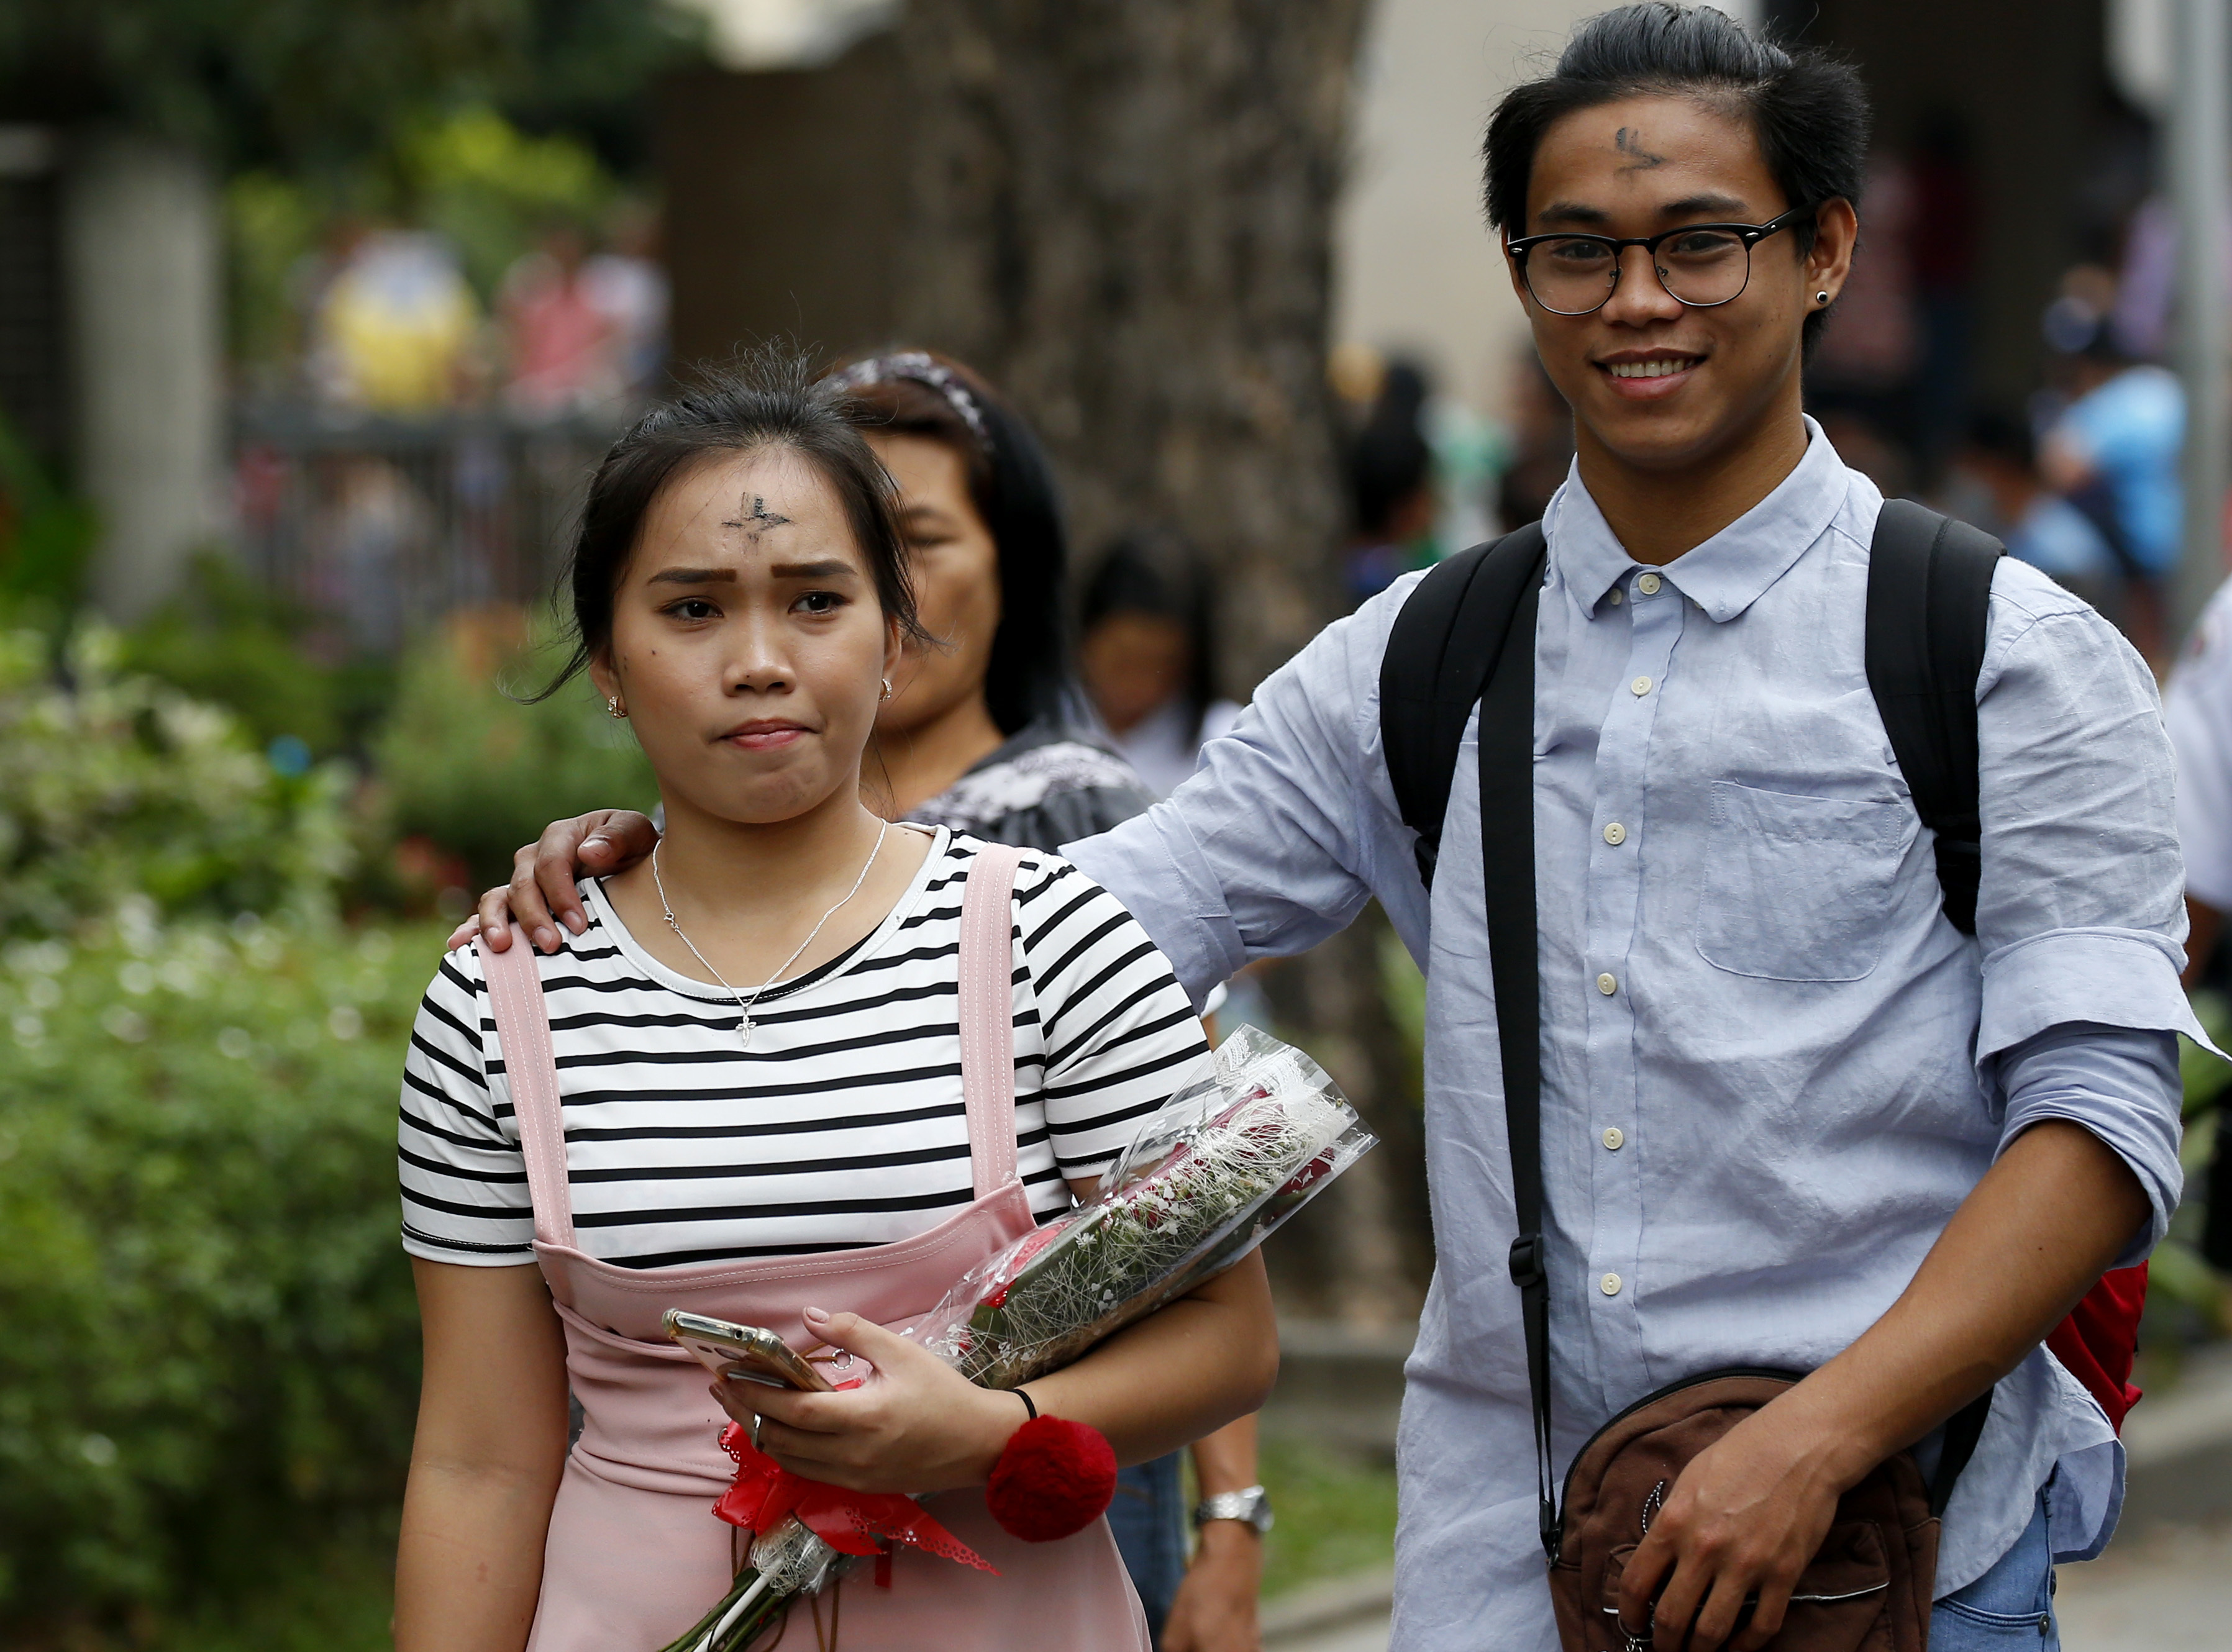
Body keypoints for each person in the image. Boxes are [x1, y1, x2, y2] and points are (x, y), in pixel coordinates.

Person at [467, 10, 2194, 1649]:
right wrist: (702, 867)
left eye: (1699, 240)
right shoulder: (1415, 666)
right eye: (1575, 247)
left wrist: (1815, 1438)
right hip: (1506, 1567)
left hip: (1892, 1560)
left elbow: (2102, 1133)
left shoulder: (2000, 659)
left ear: (1823, 252)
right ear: (1522, 274)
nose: (1636, 297)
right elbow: (1050, 930)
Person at [394, 353, 1277, 1650]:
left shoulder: (1053, 939)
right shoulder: (501, 991)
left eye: (815, 600)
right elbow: (479, 1460)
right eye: (690, 610)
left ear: (891, 629)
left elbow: (1227, 1338)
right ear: (606, 661)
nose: (758, 661)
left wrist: (989, 1432)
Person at [1078, 530, 1242, 801]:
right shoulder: (1038, 719)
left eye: (1159, 666)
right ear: (1087, 638)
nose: (1135, 684)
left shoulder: (1226, 743)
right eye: (1122, 660)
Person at [1951, 409, 2116, 610]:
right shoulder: (1988, 526)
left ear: (2001, 467)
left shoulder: (2065, 554)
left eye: (1972, 466)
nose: (1964, 480)